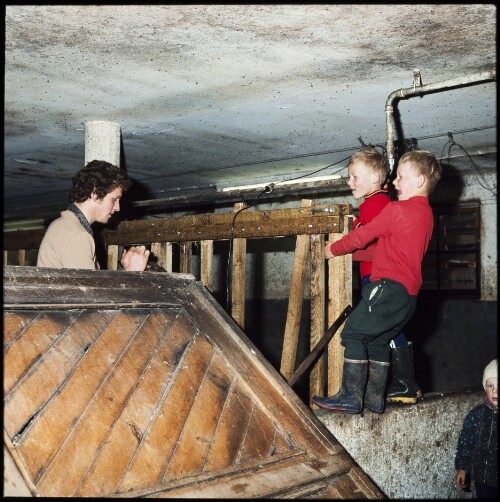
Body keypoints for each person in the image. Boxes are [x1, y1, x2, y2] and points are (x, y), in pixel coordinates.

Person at [312, 150, 442, 414]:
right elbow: (377, 250)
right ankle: (373, 399)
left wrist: (334, 249)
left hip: (387, 286)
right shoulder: (426, 216)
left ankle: (350, 397)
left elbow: (363, 236)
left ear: (420, 181)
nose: (394, 183)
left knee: (353, 333)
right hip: (408, 295)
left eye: (400, 178)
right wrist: (351, 254)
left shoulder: (397, 210)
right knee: (378, 341)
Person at [348, 147, 421, 404]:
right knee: (387, 332)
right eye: (349, 177)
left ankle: (404, 385)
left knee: (380, 333)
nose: (350, 182)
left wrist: (346, 245)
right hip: (380, 277)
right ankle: (404, 385)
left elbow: (374, 248)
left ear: (376, 178)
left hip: (377, 278)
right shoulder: (375, 203)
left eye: (355, 177)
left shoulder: (377, 203)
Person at [37, 159, 150, 271]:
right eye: (114, 199)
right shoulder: (78, 236)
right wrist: (133, 272)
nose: (117, 207)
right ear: (94, 193)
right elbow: (90, 289)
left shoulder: (62, 225)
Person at [455, 359, 498, 499]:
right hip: (481, 477)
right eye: (490, 385)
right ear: (485, 388)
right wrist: (463, 468)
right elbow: (465, 443)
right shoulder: (476, 414)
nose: (495, 391)